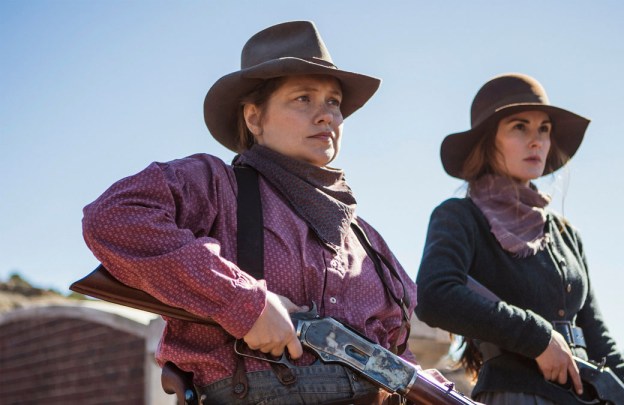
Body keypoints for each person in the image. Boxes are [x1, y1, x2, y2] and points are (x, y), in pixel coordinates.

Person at [82, 21, 416, 405]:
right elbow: (112, 217)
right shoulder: (215, 185)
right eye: (303, 98)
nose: (326, 116)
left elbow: (397, 350)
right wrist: (245, 303)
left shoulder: (367, 241)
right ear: (254, 118)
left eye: (333, 102)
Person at [414, 73, 624, 404]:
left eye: (544, 129)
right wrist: (539, 338)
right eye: (520, 127)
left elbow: (600, 341)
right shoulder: (459, 216)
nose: (537, 141)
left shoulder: (565, 234)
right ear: (489, 141)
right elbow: (435, 295)